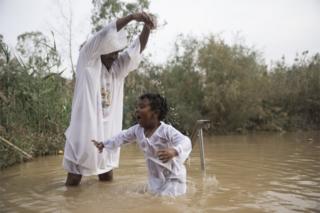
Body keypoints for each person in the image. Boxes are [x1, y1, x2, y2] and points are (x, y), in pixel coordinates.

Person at [63, 12, 155, 186]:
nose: (115, 56)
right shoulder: (88, 59)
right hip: (84, 132)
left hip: (107, 134)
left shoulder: (117, 69)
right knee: (74, 178)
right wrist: (132, 17)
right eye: (111, 52)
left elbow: (137, 49)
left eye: (117, 52)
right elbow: (105, 34)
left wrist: (147, 28)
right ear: (101, 50)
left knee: (106, 177)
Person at [92, 93, 192, 196]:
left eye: (142, 107)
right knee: (152, 199)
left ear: (155, 113)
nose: (137, 110)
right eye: (137, 107)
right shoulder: (137, 130)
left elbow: (186, 141)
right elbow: (121, 137)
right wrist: (104, 144)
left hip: (174, 179)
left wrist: (174, 151)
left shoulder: (166, 131)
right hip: (155, 180)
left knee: (164, 203)